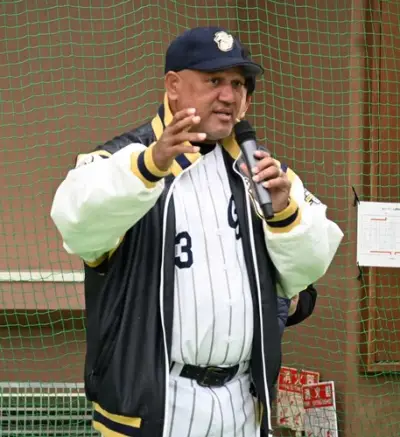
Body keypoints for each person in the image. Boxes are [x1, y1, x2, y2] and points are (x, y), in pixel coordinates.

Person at [50, 26, 343, 437]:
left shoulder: (262, 173)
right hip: (158, 401)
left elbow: (309, 269)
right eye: (214, 80)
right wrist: (150, 166)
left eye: (238, 84)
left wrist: (283, 214)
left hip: (242, 400)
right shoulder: (122, 161)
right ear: (173, 86)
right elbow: (76, 223)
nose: (229, 95)